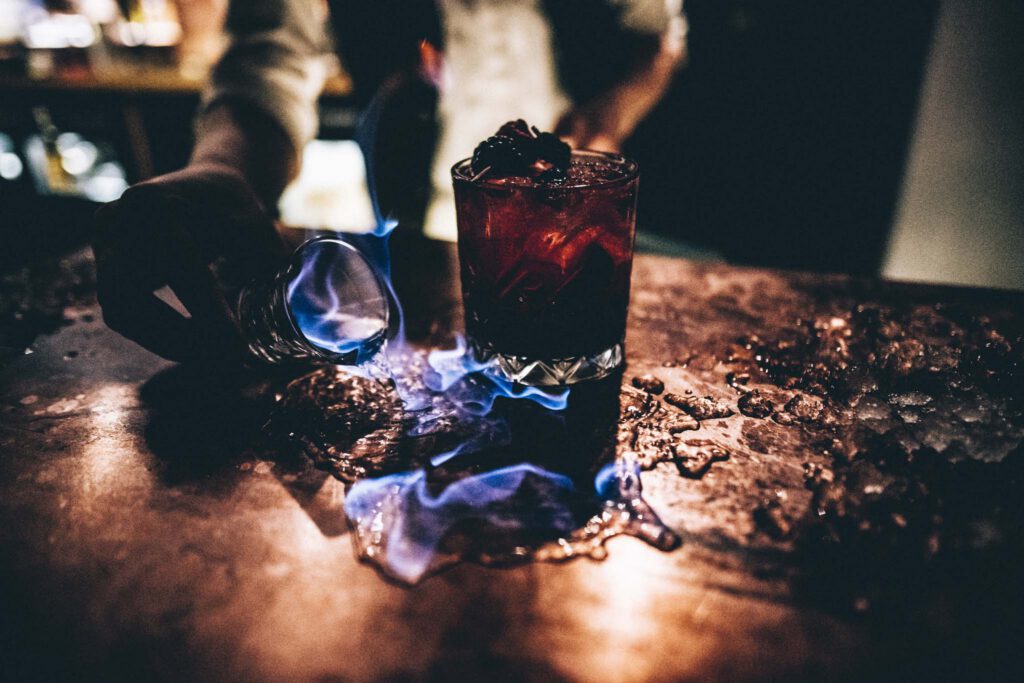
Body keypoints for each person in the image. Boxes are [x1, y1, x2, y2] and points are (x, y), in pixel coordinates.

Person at [93, 0, 684, 363]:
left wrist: (605, 121)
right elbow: (267, 63)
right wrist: (221, 169)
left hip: (577, 228)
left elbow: (658, 38)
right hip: (421, 240)